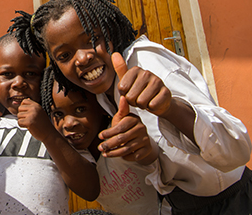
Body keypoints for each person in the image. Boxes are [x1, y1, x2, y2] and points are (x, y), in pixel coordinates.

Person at [9, 0, 252, 215]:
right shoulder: (102, 93)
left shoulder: (146, 62)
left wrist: (170, 108)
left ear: (110, 30)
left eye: (91, 40)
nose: (81, 58)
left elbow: (236, 149)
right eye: (65, 56)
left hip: (236, 203)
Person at [0, 33, 102, 214]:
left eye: (31, 74)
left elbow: (90, 190)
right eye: (7, 74)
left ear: (44, 78)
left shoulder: (60, 126)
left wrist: (48, 134)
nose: (19, 83)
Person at [41, 66, 164, 215]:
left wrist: (144, 146)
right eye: (58, 114)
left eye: (80, 109)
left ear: (101, 106)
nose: (68, 123)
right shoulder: (71, 155)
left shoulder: (119, 133)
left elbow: (150, 156)